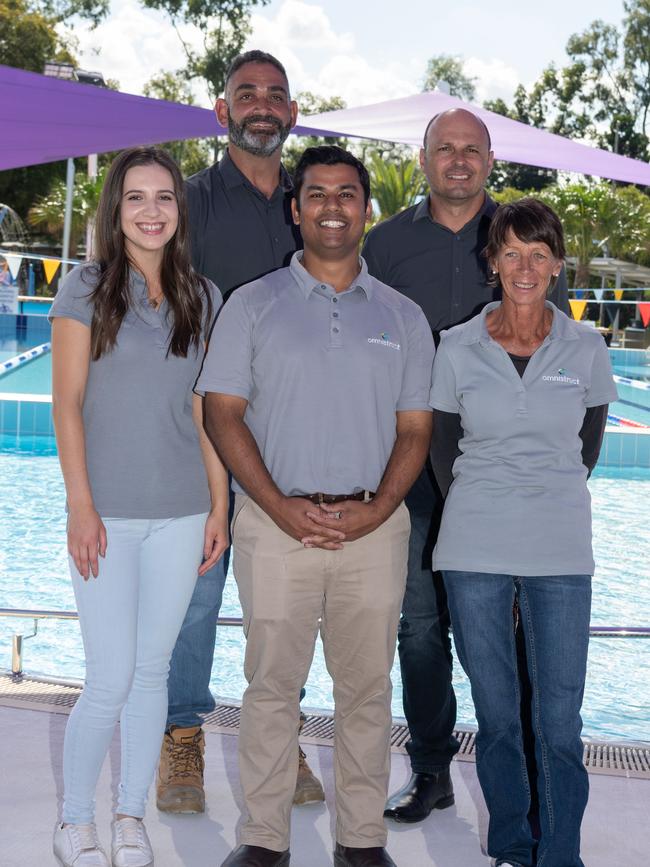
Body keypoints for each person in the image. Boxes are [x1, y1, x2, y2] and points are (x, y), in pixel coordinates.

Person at [197, 145, 435, 867]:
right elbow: (222, 413)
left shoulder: (404, 316)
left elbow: (415, 429)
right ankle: (264, 839)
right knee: (271, 687)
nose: (333, 205)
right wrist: (274, 504)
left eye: (348, 193)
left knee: (366, 689)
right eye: (318, 194)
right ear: (295, 209)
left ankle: (360, 839)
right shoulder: (253, 304)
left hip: (374, 528)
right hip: (275, 528)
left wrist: (377, 507)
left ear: (367, 208)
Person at [361, 108, 571, 823]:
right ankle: (431, 769)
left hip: (505, 481)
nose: (458, 160)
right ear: (424, 159)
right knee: (419, 627)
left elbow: (563, 357)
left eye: (471, 150)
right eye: (444, 148)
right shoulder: (384, 245)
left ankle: (528, 774)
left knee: (515, 625)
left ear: (489, 159)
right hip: (413, 473)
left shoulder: (522, 241)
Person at [50, 146, 228, 867]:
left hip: (182, 512)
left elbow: (204, 409)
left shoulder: (202, 295)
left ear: (179, 211)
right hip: (109, 515)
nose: (152, 210)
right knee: (110, 675)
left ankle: (128, 815)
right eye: (135, 198)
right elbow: (67, 404)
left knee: (152, 672)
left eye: (164, 197)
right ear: (115, 210)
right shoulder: (85, 288)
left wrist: (218, 507)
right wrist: (80, 505)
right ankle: (72, 821)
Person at [158, 50, 323, 815]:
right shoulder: (185, 205)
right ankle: (181, 737)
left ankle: (278, 738)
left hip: (289, 441)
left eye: (276, 95)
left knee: (280, 607)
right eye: (246, 94)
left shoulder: (316, 206)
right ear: (222, 112)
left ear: (292, 113)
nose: (263, 105)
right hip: (198, 438)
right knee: (195, 600)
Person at [429, 198, 617, 867]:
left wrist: (541, 506)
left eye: (539, 253)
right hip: (473, 548)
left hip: (561, 549)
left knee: (559, 721)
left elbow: (586, 447)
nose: (526, 266)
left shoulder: (588, 347)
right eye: (512, 251)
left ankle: (559, 854)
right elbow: (444, 450)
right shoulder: (455, 346)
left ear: (558, 264)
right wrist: (486, 514)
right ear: (493, 260)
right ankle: (511, 844)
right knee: (499, 713)